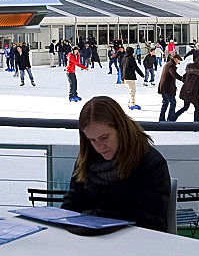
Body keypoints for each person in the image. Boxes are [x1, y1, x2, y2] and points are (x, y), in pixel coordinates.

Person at [61, 96, 171, 231]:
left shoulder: (150, 164)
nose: (100, 146)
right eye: (92, 140)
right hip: (88, 243)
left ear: (121, 129)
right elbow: (71, 206)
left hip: (132, 246)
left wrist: (94, 218)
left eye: (104, 137)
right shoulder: (87, 158)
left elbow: (150, 223)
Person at [173, 56, 199, 122]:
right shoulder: (197, 72)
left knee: (185, 107)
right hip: (191, 93)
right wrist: (188, 90)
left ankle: (173, 118)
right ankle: (196, 123)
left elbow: (184, 79)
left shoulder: (189, 70)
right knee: (197, 107)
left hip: (187, 91)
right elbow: (191, 82)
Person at [157, 54, 183, 121]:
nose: (178, 62)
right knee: (172, 103)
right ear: (175, 59)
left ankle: (162, 118)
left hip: (164, 87)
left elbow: (170, 78)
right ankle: (170, 118)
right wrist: (183, 79)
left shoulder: (168, 64)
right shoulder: (171, 66)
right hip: (167, 88)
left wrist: (174, 86)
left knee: (165, 103)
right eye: (178, 61)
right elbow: (174, 75)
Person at [120, 45, 145, 110]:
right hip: (130, 76)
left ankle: (130, 102)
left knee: (130, 90)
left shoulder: (123, 58)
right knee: (132, 91)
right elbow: (135, 67)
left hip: (125, 77)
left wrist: (122, 78)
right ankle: (132, 104)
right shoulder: (131, 58)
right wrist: (142, 74)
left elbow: (121, 68)